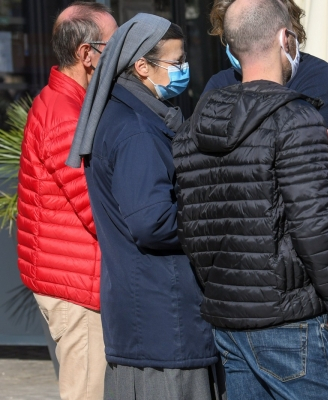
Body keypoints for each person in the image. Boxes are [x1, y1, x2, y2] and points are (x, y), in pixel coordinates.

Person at [172, 0, 328, 399]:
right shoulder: (297, 120)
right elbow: (316, 227)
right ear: (284, 37)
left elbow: (190, 227)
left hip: (229, 318)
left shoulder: (192, 127)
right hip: (291, 320)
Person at [65, 14, 219, 400]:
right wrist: (213, 218)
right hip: (162, 322)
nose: (184, 69)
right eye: (176, 61)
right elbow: (152, 223)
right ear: (142, 67)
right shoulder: (136, 129)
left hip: (151, 318)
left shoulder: (133, 116)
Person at [17, 3, 117, 399]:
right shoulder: (65, 114)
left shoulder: (67, 103)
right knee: (87, 391)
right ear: (86, 54)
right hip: (75, 284)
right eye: (114, 44)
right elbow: (95, 208)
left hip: (69, 275)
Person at [204, 0, 328, 134]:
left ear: (287, 33)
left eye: (261, 25)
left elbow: (303, 140)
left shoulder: (319, 76)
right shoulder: (219, 84)